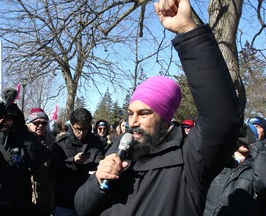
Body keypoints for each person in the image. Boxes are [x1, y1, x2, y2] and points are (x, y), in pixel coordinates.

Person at [74, 0, 241, 215]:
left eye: (144, 113)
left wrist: (187, 31)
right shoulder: (120, 151)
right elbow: (81, 207)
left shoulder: (189, 159)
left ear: (165, 117)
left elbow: (222, 118)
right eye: (130, 113)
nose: (133, 121)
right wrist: (98, 182)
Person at [0, 100, 50, 216]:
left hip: (15, 207)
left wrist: (22, 130)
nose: (3, 121)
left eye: (8, 118)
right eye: (0, 117)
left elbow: (37, 160)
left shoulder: (21, 138)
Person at [49, 108, 105, 216]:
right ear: (71, 126)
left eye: (84, 128)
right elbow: (53, 170)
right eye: (77, 129)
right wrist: (73, 162)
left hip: (89, 201)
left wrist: (98, 167)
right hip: (65, 203)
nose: (81, 133)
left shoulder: (96, 143)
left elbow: (100, 159)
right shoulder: (61, 144)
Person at [203, 124, 266, 216]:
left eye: (250, 136)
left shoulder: (257, 167)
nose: (245, 140)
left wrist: (254, 145)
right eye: (241, 136)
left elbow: (263, 185)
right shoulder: (219, 162)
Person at [26, 107, 56, 216]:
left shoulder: (54, 141)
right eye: (36, 123)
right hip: (25, 196)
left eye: (44, 123)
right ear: (28, 124)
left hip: (46, 195)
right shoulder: (21, 139)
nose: (40, 126)